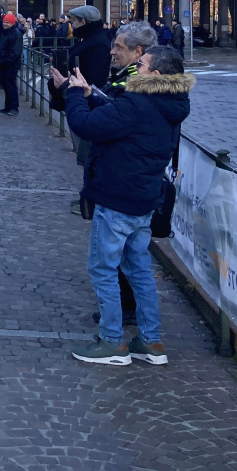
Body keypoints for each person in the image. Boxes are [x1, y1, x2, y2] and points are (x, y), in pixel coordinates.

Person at [62, 45, 193, 366]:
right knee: (138, 270)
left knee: (103, 268)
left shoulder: (139, 103)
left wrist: (74, 95)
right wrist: (90, 93)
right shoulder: (171, 103)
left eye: (143, 65)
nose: (136, 68)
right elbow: (118, 119)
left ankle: (111, 342)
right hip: (143, 198)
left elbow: (87, 126)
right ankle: (151, 341)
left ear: (156, 74)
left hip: (118, 198)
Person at [53, 5, 112, 166]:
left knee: (85, 146)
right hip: (77, 93)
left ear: (83, 21)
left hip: (84, 98)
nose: (72, 25)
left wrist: (76, 86)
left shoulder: (97, 43)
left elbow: (96, 76)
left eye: (74, 21)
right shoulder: (87, 38)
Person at [0, 13, 23, 115]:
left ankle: (13, 107)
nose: (5, 24)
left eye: (7, 22)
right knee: (6, 85)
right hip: (4, 63)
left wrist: (5, 61)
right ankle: (8, 106)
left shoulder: (15, 34)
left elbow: (15, 52)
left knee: (10, 85)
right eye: (4, 22)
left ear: (12, 23)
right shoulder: (5, 33)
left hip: (10, 64)